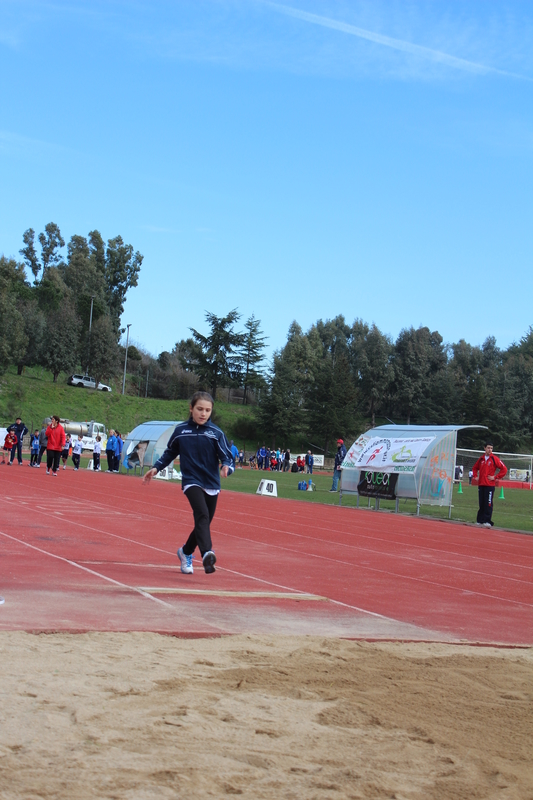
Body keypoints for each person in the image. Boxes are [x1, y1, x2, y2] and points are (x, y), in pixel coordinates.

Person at [143, 391, 234, 575]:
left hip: (212, 482)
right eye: (200, 409)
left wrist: (226, 467)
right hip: (191, 481)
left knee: (204, 522)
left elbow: (227, 456)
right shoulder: (181, 431)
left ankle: (185, 552)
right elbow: (170, 452)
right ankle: (207, 552)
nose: (203, 414)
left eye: (207, 410)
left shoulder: (216, 433)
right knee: (201, 514)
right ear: (191, 408)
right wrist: (156, 468)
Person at [472, 441, 507, 527]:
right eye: (488, 448)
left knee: (488, 503)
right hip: (481, 484)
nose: (490, 450)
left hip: (490, 485)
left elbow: (504, 469)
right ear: (484, 448)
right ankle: (480, 520)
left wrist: (495, 477)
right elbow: (474, 468)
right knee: (482, 503)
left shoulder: (495, 459)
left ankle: (487, 520)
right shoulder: (481, 459)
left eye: (491, 448)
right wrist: (475, 476)